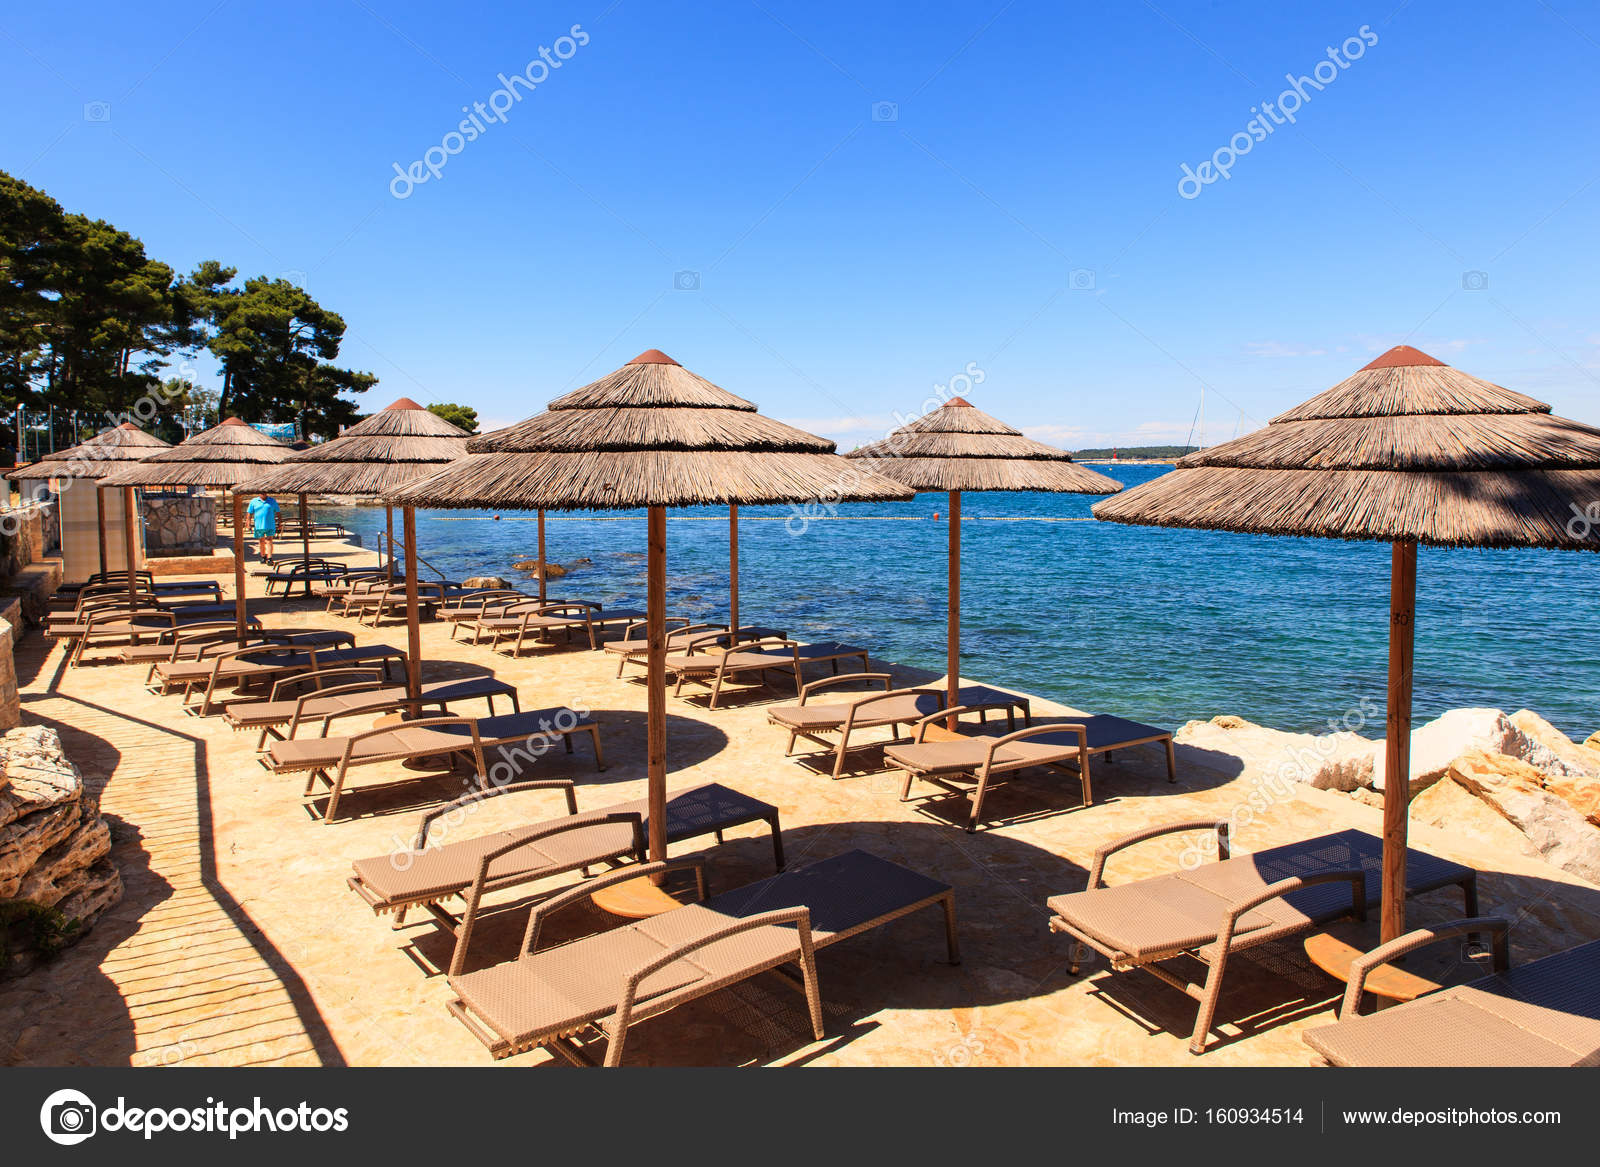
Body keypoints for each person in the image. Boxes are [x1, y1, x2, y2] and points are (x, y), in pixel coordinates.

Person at [246, 493, 280, 563]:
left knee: (269, 540)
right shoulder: (254, 501)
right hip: (258, 525)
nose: (263, 494)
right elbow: (249, 513)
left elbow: (278, 512)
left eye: (264, 492)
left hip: (270, 524)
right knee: (261, 541)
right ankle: (263, 556)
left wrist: (280, 522)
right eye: (261, 493)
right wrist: (248, 524)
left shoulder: (272, 501)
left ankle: (270, 558)